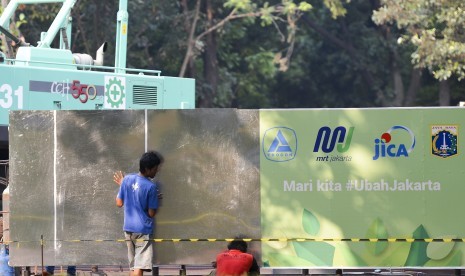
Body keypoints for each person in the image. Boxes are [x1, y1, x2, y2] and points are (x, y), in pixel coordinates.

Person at [114, 150, 164, 276]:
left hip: (128, 228)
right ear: (148, 169)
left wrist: (124, 187)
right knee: (139, 266)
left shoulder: (126, 180)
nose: (157, 171)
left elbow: (119, 203)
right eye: (155, 168)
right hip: (142, 230)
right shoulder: (151, 187)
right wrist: (156, 201)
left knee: (133, 266)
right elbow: (151, 213)